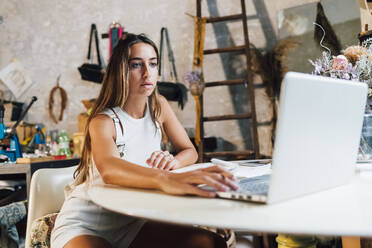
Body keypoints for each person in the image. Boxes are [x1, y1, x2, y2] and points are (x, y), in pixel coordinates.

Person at [51, 33, 238, 248]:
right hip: (87, 222)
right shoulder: (103, 121)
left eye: (153, 64)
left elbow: (189, 150)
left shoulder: (159, 105)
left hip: (133, 221)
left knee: (210, 243)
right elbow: (110, 170)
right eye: (136, 65)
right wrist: (166, 179)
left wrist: (173, 163)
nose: (147, 73)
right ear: (121, 71)